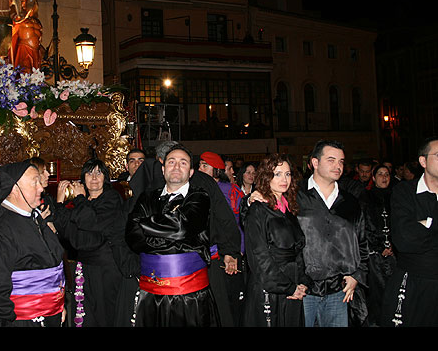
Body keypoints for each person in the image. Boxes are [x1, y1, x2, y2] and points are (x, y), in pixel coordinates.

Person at [127, 140, 242, 327]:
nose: (176, 166)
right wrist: (174, 239)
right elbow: (132, 237)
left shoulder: (200, 196)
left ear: (191, 172)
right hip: (153, 294)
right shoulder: (147, 197)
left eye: (183, 162)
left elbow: (182, 228)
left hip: (191, 294)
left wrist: (145, 226)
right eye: (171, 161)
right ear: (162, 168)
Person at [381, 137, 438, 327]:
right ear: (423, 161)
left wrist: (426, 224)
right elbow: (404, 239)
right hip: (413, 284)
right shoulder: (404, 192)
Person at [0, 160, 65, 327]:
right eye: (34, 182)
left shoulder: (34, 217)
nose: (41, 188)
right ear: (14, 189)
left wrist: (57, 305)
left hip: (51, 314)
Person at [296, 139, 369, 327]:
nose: (338, 166)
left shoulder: (350, 202)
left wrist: (357, 275)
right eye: (331, 160)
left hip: (339, 289)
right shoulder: (295, 195)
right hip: (303, 289)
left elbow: (362, 241)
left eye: (341, 161)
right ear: (315, 162)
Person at [52, 158, 125, 327]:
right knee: (85, 314)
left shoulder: (111, 198)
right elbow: (64, 231)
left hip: (106, 267)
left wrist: (79, 198)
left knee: (106, 314)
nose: (93, 177)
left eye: (98, 173)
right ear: (83, 178)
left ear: (105, 178)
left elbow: (92, 222)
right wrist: (60, 202)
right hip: (84, 266)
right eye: (89, 173)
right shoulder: (81, 203)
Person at [241, 154, 308, 327]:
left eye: (287, 174)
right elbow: (259, 257)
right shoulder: (258, 209)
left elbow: (298, 251)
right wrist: (289, 287)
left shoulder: (290, 208)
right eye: (277, 174)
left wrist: (301, 282)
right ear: (266, 177)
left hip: (292, 283)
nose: (284, 179)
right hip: (269, 286)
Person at [198, 151, 245, 324]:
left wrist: (232, 252)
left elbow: (232, 224)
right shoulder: (198, 188)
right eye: (199, 165)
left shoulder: (228, 191)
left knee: (224, 306)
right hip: (204, 256)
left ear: (216, 170)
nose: (199, 169)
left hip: (221, 255)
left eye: (205, 166)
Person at [360, 163, 395, 326]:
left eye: (387, 174)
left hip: (395, 255)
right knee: (377, 294)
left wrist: (395, 245)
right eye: (380, 174)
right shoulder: (365, 198)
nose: (384, 177)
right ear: (373, 178)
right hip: (375, 256)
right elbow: (364, 225)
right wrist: (380, 247)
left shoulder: (396, 196)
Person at [9, 0, 44, 73]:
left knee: (35, 72)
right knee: (25, 70)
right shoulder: (18, 18)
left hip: (36, 50)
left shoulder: (36, 21)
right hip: (24, 47)